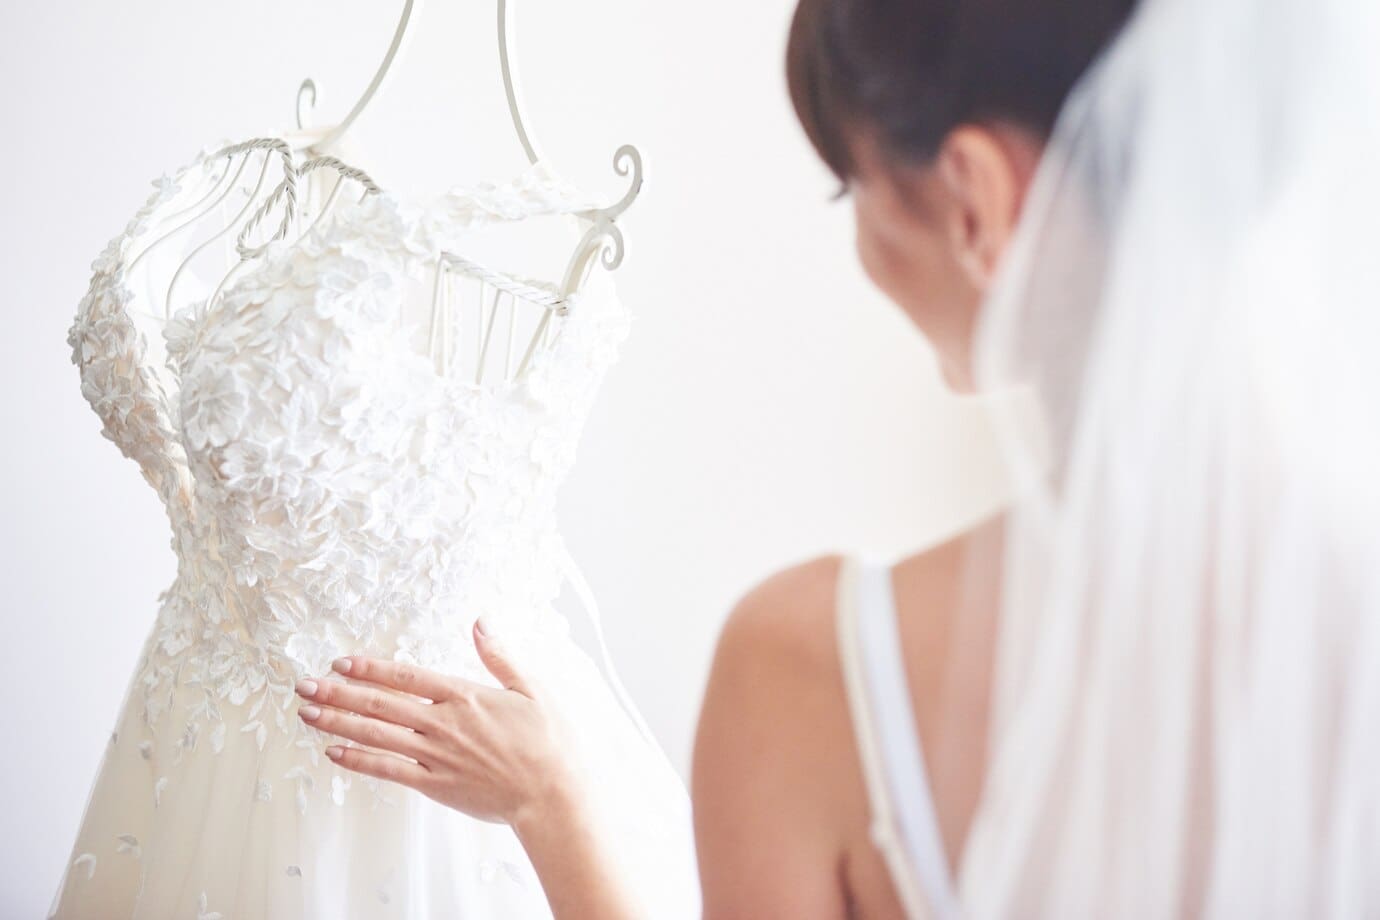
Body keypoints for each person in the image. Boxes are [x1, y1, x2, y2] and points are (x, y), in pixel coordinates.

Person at [299, 0, 1380, 914]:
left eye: (850, 184)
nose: (859, 237)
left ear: (976, 200)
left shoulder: (816, 674)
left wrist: (555, 800)